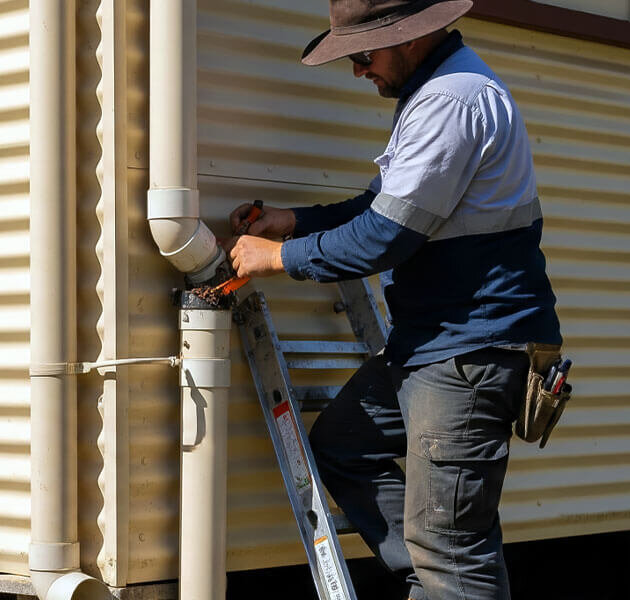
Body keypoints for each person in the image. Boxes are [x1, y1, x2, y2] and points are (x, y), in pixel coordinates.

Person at [220, 1, 562, 598]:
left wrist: (277, 257)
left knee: (452, 550)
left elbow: (385, 237)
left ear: (410, 37)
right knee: (343, 447)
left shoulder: (450, 101)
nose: (358, 70)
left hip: (468, 353)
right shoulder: (433, 93)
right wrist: (293, 221)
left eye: (363, 54)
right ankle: (432, 582)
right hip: (434, 344)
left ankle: (442, 579)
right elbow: (380, 209)